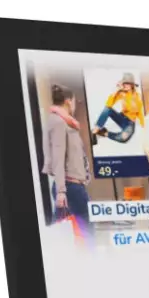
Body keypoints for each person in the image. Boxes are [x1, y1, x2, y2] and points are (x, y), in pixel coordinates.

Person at [43, 84, 92, 233]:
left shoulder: (66, 122)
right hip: (70, 187)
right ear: (68, 101)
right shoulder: (58, 122)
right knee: (86, 232)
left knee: (69, 232)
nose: (74, 105)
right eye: (74, 101)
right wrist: (61, 191)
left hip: (72, 186)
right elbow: (58, 157)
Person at [91, 73, 145, 144]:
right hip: (122, 118)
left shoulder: (137, 96)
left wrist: (143, 124)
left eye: (127, 83)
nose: (125, 85)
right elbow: (108, 104)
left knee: (123, 138)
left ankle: (104, 133)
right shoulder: (121, 93)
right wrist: (117, 90)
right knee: (107, 109)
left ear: (132, 85)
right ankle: (94, 131)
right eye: (124, 83)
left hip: (130, 123)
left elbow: (140, 111)